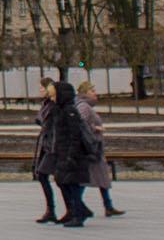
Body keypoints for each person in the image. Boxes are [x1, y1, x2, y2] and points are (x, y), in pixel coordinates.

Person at [49, 80, 96, 226]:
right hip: (62, 152)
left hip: (72, 154)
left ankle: (78, 213)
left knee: (72, 184)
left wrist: (72, 155)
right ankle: (75, 211)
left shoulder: (70, 111)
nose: (51, 98)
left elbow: (75, 135)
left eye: (53, 95)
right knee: (63, 182)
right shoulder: (59, 109)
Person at [76, 82, 122, 218]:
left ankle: (108, 206)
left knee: (101, 178)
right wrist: (95, 128)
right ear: (85, 93)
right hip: (92, 148)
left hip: (95, 148)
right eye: (92, 91)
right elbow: (81, 122)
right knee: (89, 178)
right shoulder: (84, 106)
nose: (95, 93)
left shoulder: (86, 106)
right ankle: (77, 203)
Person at [31, 77, 62, 224]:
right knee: (43, 175)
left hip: (51, 146)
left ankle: (69, 207)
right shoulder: (46, 104)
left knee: (52, 177)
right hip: (46, 144)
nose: (40, 90)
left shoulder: (53, 105)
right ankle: (52, 209)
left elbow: (45, 122)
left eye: (42, 88)